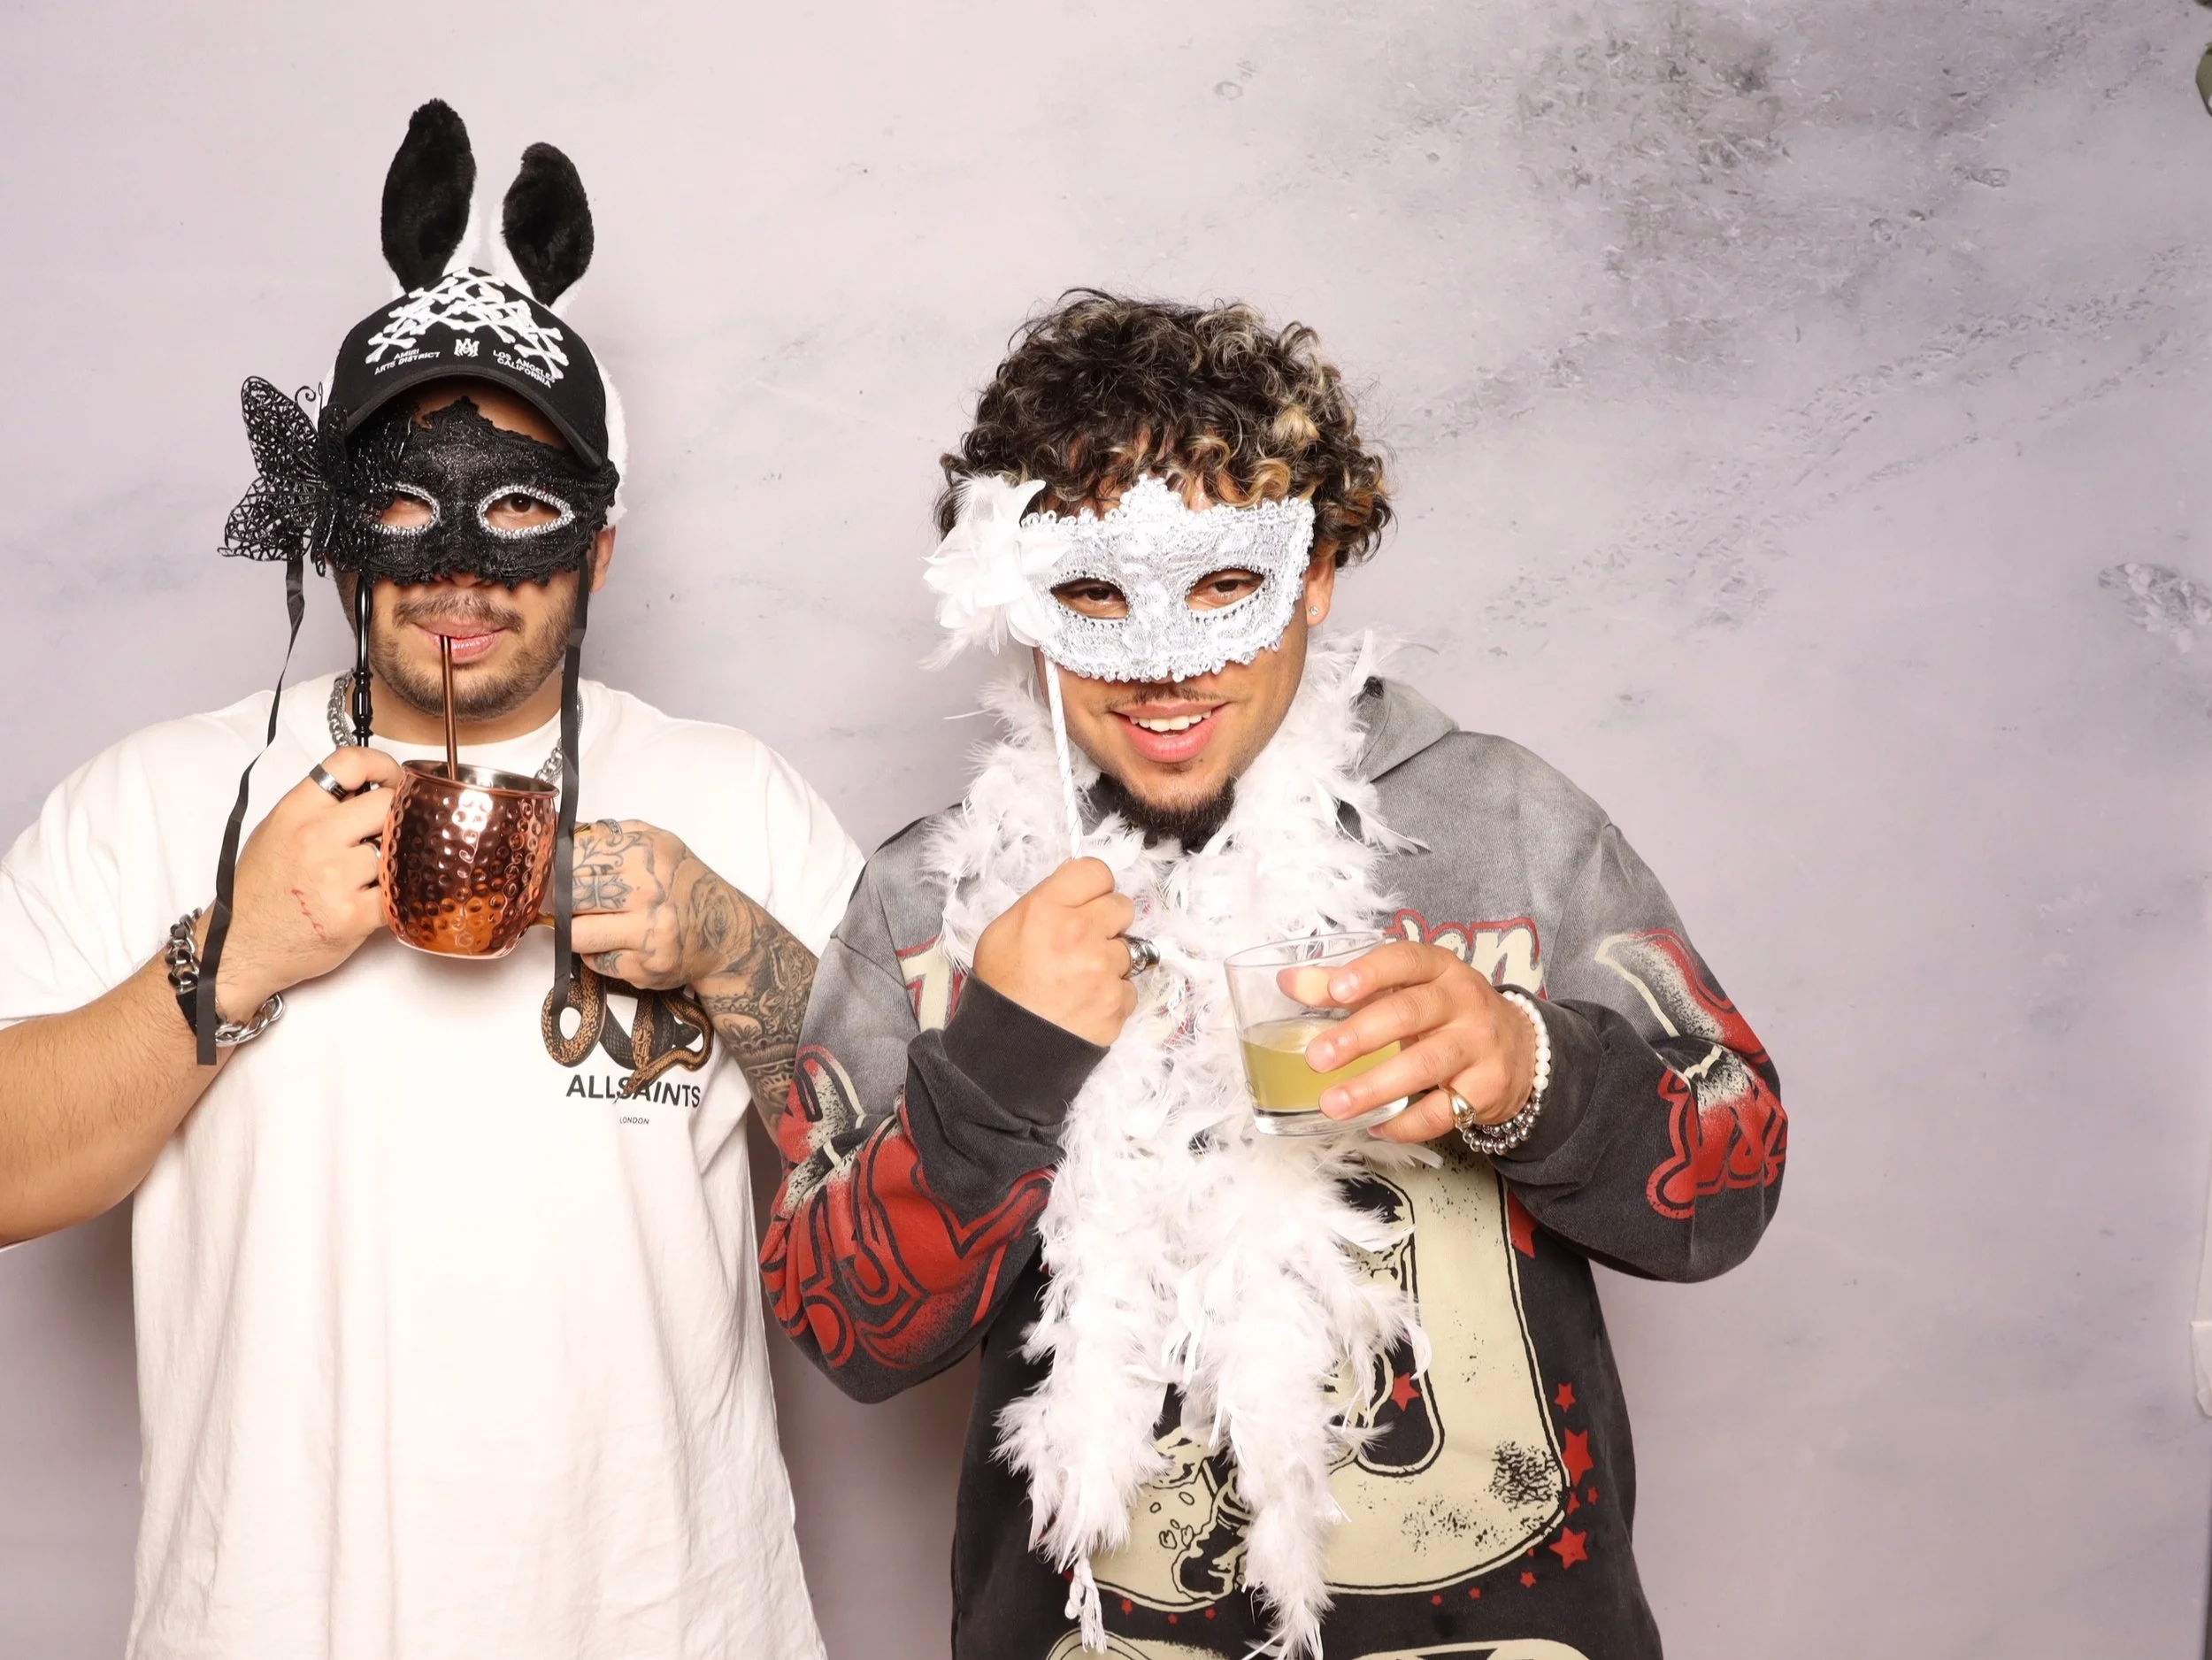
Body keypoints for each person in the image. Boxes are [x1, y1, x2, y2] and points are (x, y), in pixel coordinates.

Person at [762, 292, 1787, 1660]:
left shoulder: (1506, 827)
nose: (1167, 666)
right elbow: (848, 1333)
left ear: (1315, 573)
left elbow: (1730, 1193)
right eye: (1095, 591)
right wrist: (999, 1063)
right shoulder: (926, 903)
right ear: (1017, 591)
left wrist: (1532, 1072)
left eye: (1223, 585)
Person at [0, 104, 855, 1660]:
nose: (461, 566)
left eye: (520, 507)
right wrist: (233, 958)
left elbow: (921, 1174)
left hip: (662, 1620)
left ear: (598, 549)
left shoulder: (739, 801)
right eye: (405, 502)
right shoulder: (149, 802)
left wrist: (733, 947)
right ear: (333, 535)